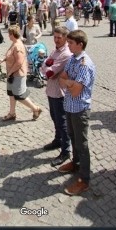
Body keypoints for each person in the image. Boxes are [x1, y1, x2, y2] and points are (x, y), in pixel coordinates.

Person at [57, 30, 96, 196]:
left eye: (71, 43)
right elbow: (61, 78)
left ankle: (84, 179)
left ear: (80, 44)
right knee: (73, 137)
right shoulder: (73, 59)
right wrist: (69, 82)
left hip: (80, 109)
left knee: (82, 143)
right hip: (70, 107)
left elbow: (76, 91)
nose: (68, 45)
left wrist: (69, 83)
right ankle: (75, 163)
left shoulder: (84, 64)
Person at [40, 26, 73, 167]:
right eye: (55, 37)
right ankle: (57, 139)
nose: (56, 40)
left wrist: (49, 65)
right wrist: (48, 65)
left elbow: (49, 73)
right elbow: (43, 66)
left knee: (62, 121)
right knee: (54, 118)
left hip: (60, 92)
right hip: (51, 90)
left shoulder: (65, 54)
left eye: (59, 37)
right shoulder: (55, 50)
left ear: (66, 38)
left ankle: (66, 151)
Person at [0, 26, 43, 121]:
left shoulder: (18, 46)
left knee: (19, 95)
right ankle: (12, 113)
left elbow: (19, 62)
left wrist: (10, 72)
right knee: (11, 93)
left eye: (9, 34)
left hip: (17, 74)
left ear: (12, 35)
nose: (8, 36)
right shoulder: (14, 43)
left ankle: (35, 109)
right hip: (12, 74)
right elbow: (11, 55)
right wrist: (4, 59)